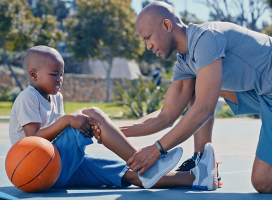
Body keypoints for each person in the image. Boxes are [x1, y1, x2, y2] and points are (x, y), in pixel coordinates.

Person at [117, 1, 272, 194]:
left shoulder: (206, 39)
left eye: (148, 37)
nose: (148, 46)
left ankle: (203, 158)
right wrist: (113, 131)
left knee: (265, 182)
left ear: (167, 25)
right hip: (266, 93)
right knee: (196, 85)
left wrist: (156, 150)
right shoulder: (185, 61)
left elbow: (204, 108)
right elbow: (166, 115)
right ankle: (202, 160)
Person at [8, 45, 209, 190]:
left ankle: (196, 177)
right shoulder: (28, 97)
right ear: (33, 75)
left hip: (57, 169)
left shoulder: (56, 98)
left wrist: (74, 122)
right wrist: (69, 120)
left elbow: (61, 134)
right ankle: (145, 161)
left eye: (62, 74)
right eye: (54, 74)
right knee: (92, 113)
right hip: (35, 169)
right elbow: (32, 139)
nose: (60, 78)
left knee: (131, 174)